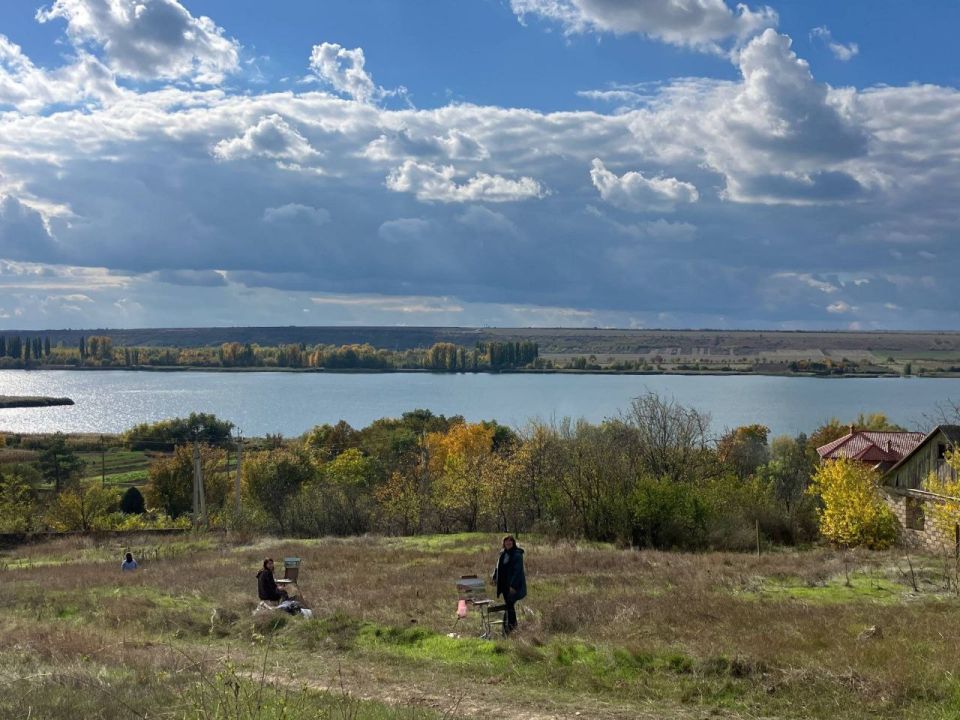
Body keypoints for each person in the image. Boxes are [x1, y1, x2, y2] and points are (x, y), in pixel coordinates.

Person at [492, 535, 526, 633]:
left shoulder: (517, 554)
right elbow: (498, 567)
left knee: (509, 606)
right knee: (508, 606)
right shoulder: (503, 554)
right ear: (504, 544)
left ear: (513, 543)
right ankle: (508, 628)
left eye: (510, 542)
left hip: (512, 586)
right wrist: (494, 577)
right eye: (506, 542)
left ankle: (510, 628)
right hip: (504, 585)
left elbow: (518, 571)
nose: (508, 544)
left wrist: (513, 586)